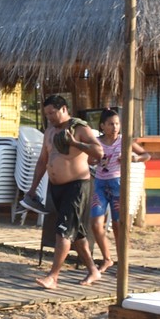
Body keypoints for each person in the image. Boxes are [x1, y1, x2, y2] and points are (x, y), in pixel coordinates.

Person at [30, 95, 104, 289]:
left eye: (52, 113)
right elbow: (42, 162)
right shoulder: (49, 132)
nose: (49, 118)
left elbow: (99, 152)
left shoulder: (79, 128)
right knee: (77, 234)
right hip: (56, 187)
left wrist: (76, 144)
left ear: (63, 109)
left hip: (77, 186)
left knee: (63, 231)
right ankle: (93, 270)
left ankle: (53, 276)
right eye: (46, 114)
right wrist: (32, 188)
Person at [88, 107, 149, 273]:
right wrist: (94, 160)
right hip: (100, 185)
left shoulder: (124, 141)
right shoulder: (96, 142)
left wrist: (133, 158)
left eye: (117, 124)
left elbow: (146, 155)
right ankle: (107, 258)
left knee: (118, 225)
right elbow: (89, 159)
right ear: (102, 126)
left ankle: (123, 260)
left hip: (117, 185)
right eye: (110, 124)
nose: (114, 127)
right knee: (95, 224)